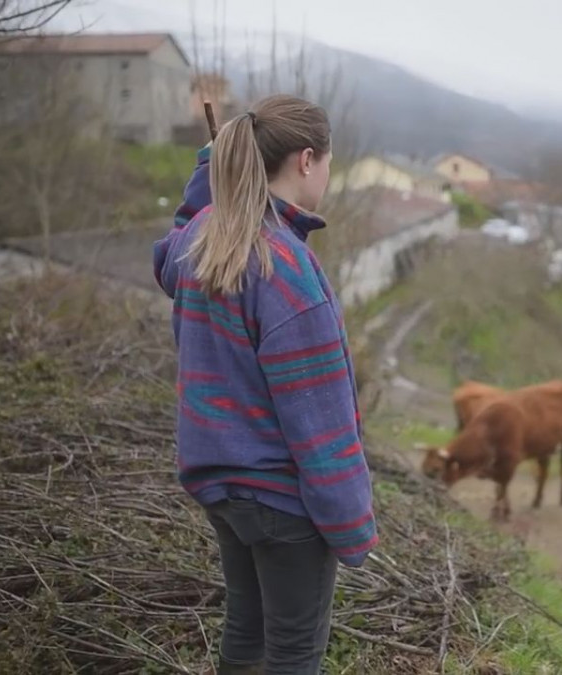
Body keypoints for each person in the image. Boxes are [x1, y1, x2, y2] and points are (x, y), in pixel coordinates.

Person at [152, 94, 377, 675]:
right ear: (306, 160)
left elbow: (166, 256)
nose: (328, 174)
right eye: (330, 162)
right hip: (282, 500)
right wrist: (350, 527)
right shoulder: (286, 266)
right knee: (293, 654)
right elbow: (319, 417)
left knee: (246, 636)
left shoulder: (205, 235)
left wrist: (207, 180)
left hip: (223, 488)